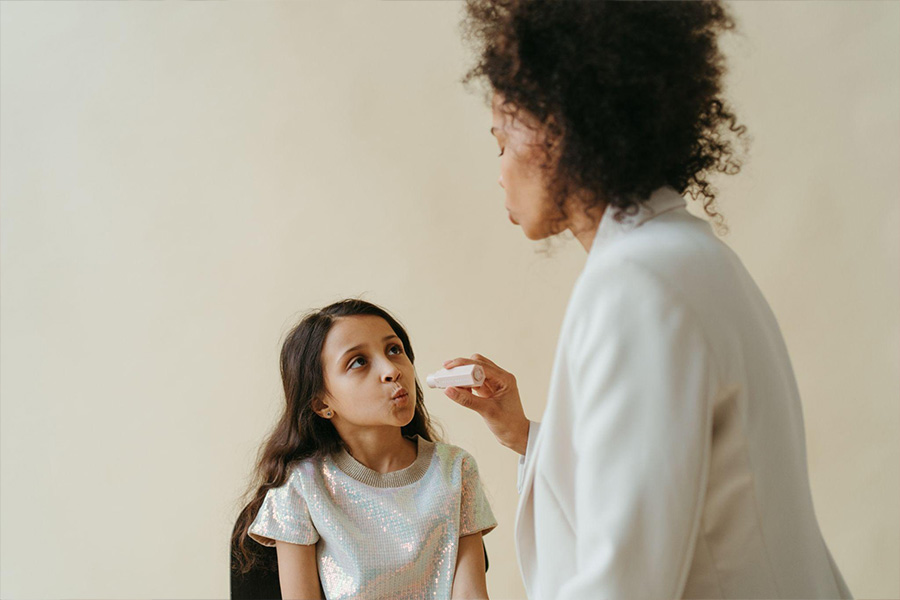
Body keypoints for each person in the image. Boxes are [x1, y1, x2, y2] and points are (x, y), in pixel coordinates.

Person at [443, 1, 853, 598]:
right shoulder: (683, 256)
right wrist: (528, 439)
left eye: (502, 139)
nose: (500, 171)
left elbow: (624, 580)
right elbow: (684, 486)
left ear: (560, 125)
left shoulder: (637, 286)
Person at [231, 299, 496, 599]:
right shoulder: (302, 485)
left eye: (394, 350)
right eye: (358, 361)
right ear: (321, 403)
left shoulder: (455, 470)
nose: (391, 370)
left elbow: (471, 595)